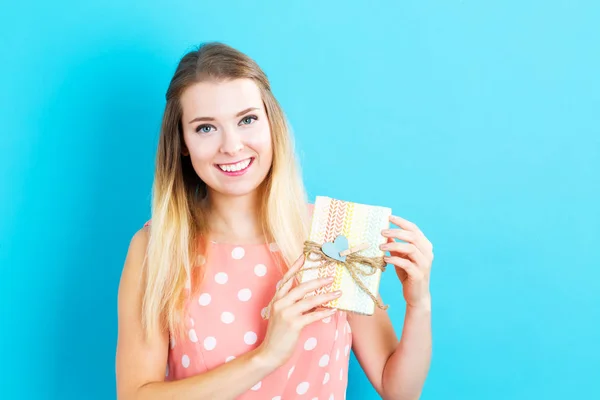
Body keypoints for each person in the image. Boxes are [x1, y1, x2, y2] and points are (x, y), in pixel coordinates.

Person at [115, 42, 434, 400]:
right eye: (206, 128)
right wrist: (266, 356)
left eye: (247, 120)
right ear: (183, 142)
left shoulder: (335, 233)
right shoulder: (156, 248)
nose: (232, 146)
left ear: (271, 124)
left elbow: (399, 391)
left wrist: (419, 303)